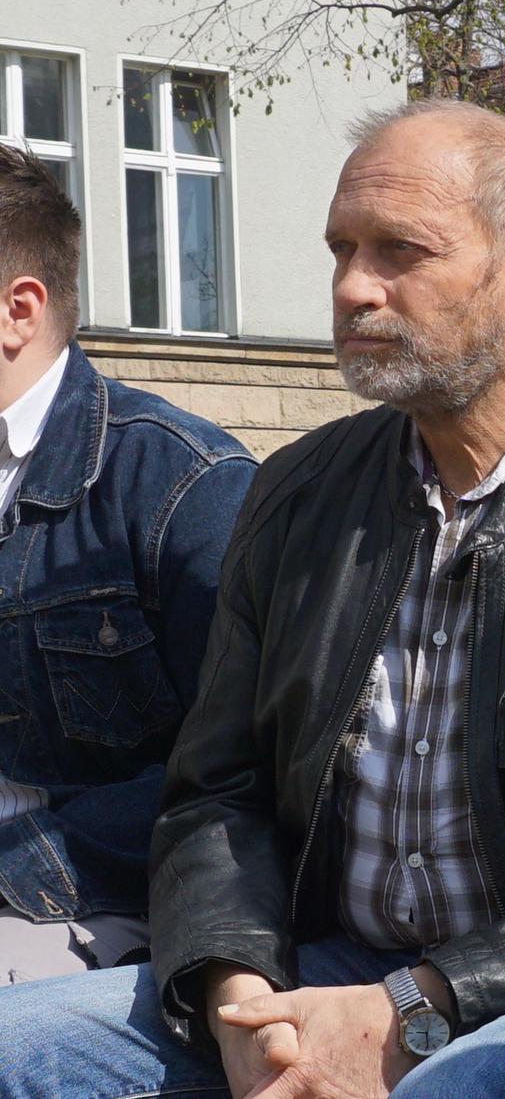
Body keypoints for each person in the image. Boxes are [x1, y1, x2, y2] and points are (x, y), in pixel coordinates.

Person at [0, 101, 505, 1099]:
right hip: (326, 971)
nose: (352, 288)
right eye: (342, 248)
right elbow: (218, 792)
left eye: (400, 252)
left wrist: (426, 1000)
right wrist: (234, 987)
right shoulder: (297, 495)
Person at [0, 144, 252, 984]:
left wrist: (26, 859)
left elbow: (255, 769)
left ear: (18, 310)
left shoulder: (182, 485)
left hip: (104, 911)